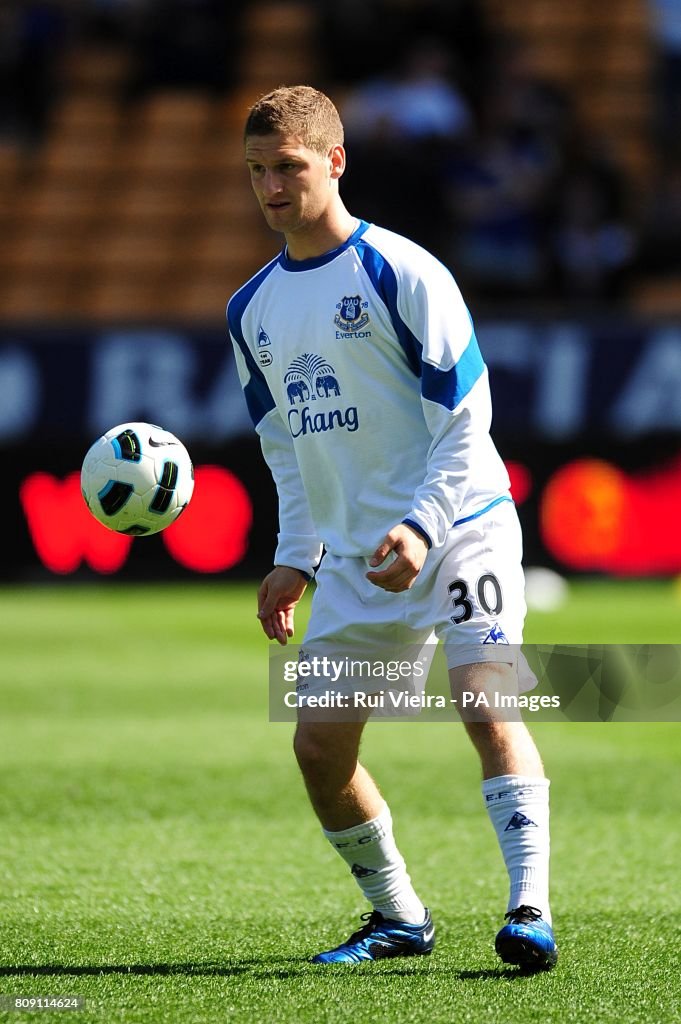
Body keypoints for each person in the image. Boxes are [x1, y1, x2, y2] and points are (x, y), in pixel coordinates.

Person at [227, 85, 558, 970]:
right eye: (256, 170)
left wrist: (421, 523)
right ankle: (398, 919)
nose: (269, 187)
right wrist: (294, 556)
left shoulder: (402, 271)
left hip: (461, 528)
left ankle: (529, 907)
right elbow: (282, 447)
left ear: (334, 162)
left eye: (287, 167)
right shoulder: (249, 310)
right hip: (355, 555)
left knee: (484, 698)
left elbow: (465, 418)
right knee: (319, 745)